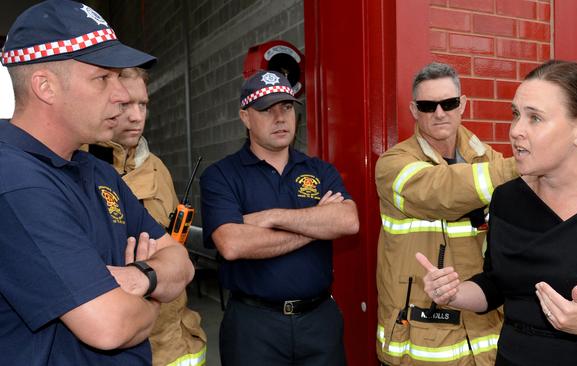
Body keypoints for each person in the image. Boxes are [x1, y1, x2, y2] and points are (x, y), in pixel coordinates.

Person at [417, 60, 577, 366]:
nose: (516, 130)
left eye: (535, 118)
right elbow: (495, 284)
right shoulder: (507, 198)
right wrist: (455, 293)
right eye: (516, 114)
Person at [0, 1, 194, 365]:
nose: (121, 95)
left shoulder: (97, 170)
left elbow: (181, 262)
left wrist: (138, 279)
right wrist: (154, 294)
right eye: (103, 78)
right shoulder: (14, 181)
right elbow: (112, 327)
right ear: (46, 87)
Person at [200, 69, 359, 366]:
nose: (280, 117)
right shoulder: (221, 176)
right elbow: (232, 243)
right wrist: (317, 225)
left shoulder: (319, 170)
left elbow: (348, 221)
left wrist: (270, 217)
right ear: (245, 117)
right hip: (253, 326)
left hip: (319, 321)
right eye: (267, 110)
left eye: (286, 107)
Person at [375, 62, 519, 365]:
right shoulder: (393, 164)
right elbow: (439, 191)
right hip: (420, 340)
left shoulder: (488, 158)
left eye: (449, 103)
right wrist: (523, 165)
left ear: (462, 104)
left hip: (485, 338)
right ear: (414, 110)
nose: (439, 113)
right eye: (428, 106)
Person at [87, 67, 207, 366]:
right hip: (120, 343)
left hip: (176, 341)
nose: (137, 116)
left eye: (143, 104)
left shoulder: (157, 168)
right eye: (125, 104)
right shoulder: (79, 168)